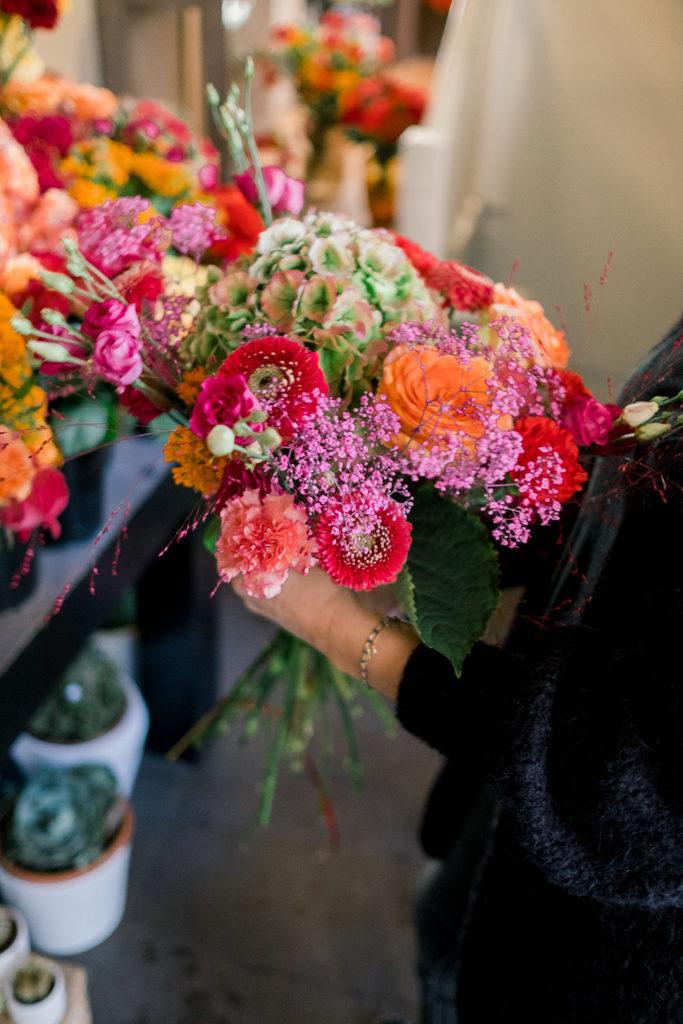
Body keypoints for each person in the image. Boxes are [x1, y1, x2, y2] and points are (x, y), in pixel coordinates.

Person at [232, 315, 683, 1023]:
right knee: (444, 929)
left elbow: (629, 776)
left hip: (611, 937)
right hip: (522, 786)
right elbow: (641, 501)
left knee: (460, 966)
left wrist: (341, 629)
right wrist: (430, 531)